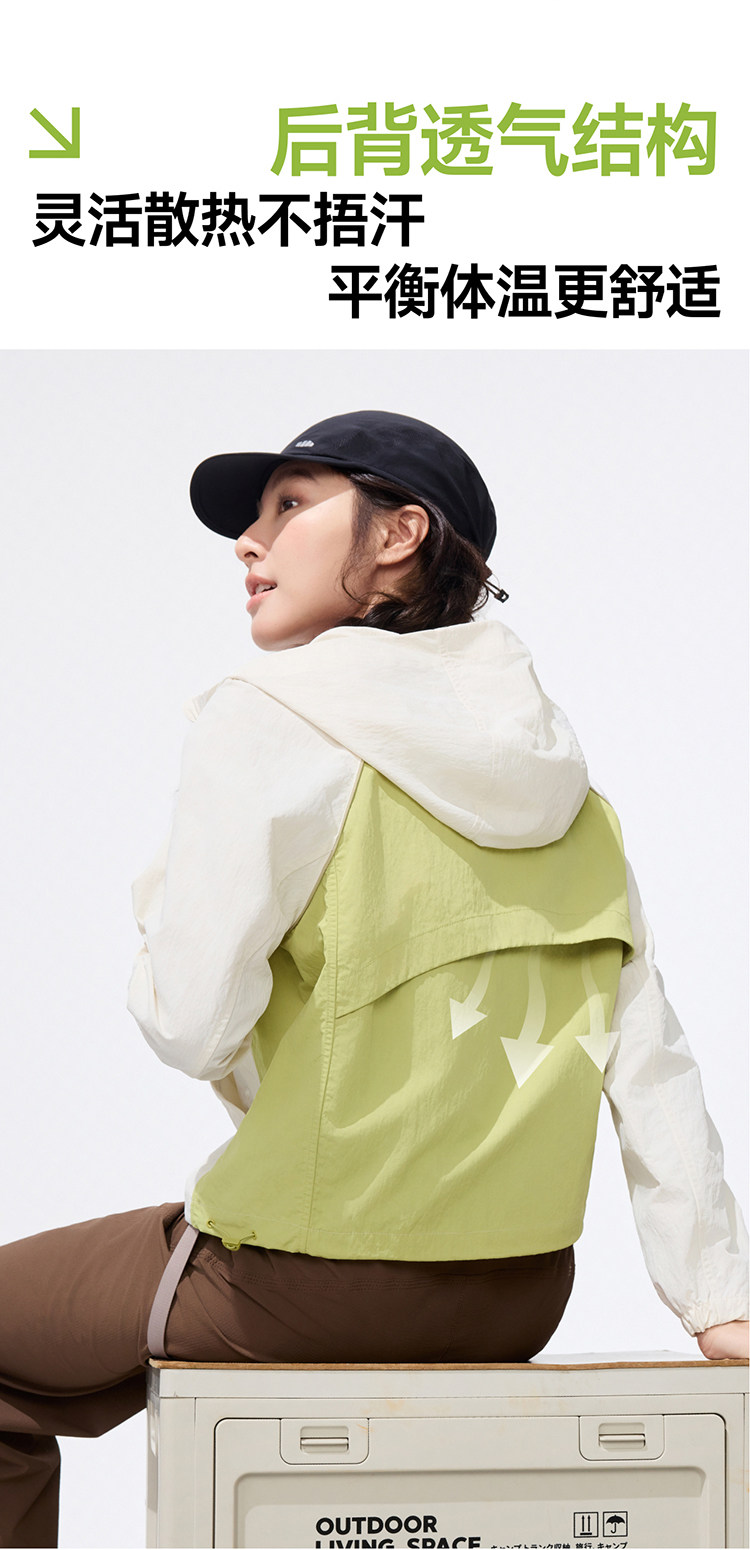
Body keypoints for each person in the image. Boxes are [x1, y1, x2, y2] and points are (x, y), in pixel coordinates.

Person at [0, 409, 747, 1549]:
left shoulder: (268, 718)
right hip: (518, 1292)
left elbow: (189, 1024)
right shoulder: (575, 799)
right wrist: (718, 1302)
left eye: (290, 505)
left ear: (400, 534)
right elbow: (652, 1064)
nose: (248, 542)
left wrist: (159, 904)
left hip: (313, 1280)